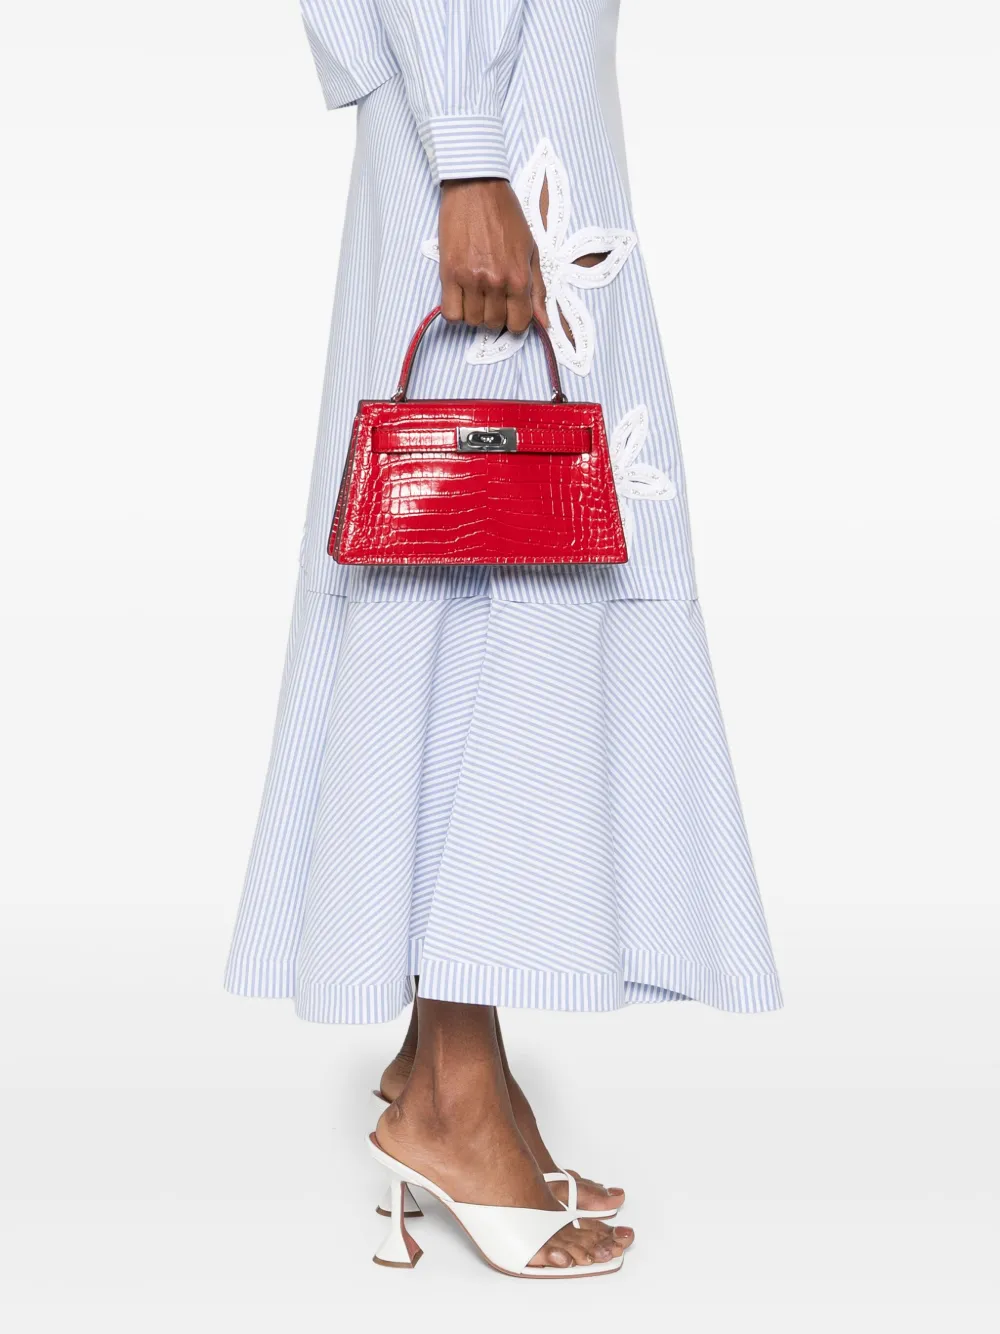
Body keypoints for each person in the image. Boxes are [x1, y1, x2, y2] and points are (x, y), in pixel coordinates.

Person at [225, 0, 781, 1278]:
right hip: (487, 119)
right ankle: (454, 1098)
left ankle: (449, 1058)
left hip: (506, 102)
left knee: (490, 541)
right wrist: (469, 153)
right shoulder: (473, 147)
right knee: (486, 555)